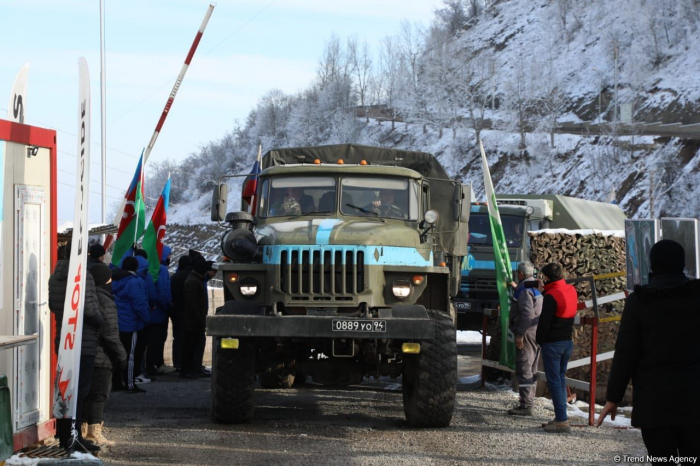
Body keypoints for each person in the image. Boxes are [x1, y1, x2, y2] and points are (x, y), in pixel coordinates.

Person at [597, 240, 700, 461]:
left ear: (652, 265)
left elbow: (625, 352)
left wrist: (613, 397)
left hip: (654, 403)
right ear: (682, 264)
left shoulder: (640, 301)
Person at [48, 243, 104, 453]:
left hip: (63, 339)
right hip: (83, 340)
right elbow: (90, 310)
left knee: (64, 390)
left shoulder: (54, 276)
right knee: (80, 392)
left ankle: (64, 436)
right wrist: (101, 320)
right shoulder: (84, 276)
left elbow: (53, 307)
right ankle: (75, 437)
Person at [83, 263, 127, 447]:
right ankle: (95, 433)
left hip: (87, 354)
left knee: (86, 395)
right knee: (99, 395)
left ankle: (83, 430)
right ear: (103, 280)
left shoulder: (89, 298)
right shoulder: (106, 300)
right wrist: (122, 356)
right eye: (109, 278)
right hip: (102, 356)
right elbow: (110, 333)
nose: (111, 281)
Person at [535, 262, 577, 433]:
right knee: (560, 379)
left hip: (553, 343)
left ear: (546, 278)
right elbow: (559, 299)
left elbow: (544, 323)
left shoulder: (550, 296)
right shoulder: (571, 290)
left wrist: (539, 341)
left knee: (554, 382)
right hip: (567, 342)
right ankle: (561, 417)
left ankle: (561, 421)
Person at [507, 261, 543, 416]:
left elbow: (527, 314)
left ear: (520, 274)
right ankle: (529, 401)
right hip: (537, 331)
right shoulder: (533, 286)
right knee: (532, 368)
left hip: (527, 333)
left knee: (524, 367)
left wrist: (520, 334)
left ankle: (526, 405)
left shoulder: (523, 290)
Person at [113, 256, 151, 393]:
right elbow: (140, 304)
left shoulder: (115, 280)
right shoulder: (136, 282)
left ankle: (116, 383)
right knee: (131, 356)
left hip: (118, 323)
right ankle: (130, 384)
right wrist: (147, 320)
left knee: (118, 354)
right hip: (132, 324)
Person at [146, 246, 173, 376]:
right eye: (169, 255)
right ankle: (157, 364)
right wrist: (168, 307)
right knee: (158, 340)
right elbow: (163, 292)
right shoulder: (161, 269)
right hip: (159, 313)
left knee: (151, 341)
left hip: (151, 313)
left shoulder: (151, 268)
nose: (170, 258)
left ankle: (152, 365)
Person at [181, 257, 209, 378]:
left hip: (193, 320)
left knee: (192, 345)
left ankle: (192, 369)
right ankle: (187, 370)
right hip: (192, 321)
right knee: (190, 346)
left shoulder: (195, 279)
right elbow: (192, 303)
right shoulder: (193, 281)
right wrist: (198, 318)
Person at [170, 255, 193, 371]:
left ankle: (177, 362)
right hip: (189, 311)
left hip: (176, 310)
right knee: (189, 338)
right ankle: (188, 363)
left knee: (178, 337)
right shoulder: (192, 277)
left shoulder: (175, 277)